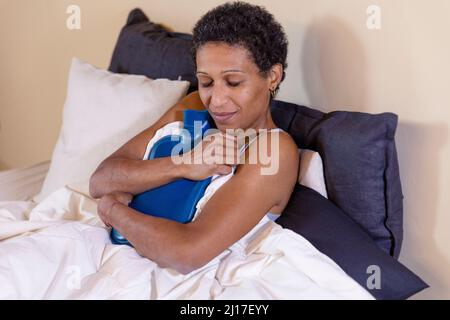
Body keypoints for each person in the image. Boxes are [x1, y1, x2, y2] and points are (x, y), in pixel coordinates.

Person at [89, 1, 299, 275]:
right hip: (111, 252)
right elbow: (100, 180)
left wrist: (114, 212)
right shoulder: (194, 108)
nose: (217, 100)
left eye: (233, 82)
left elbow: (187, 253)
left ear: (272, 76)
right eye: (206, 82)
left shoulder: (272, 149)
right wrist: (186, 164)